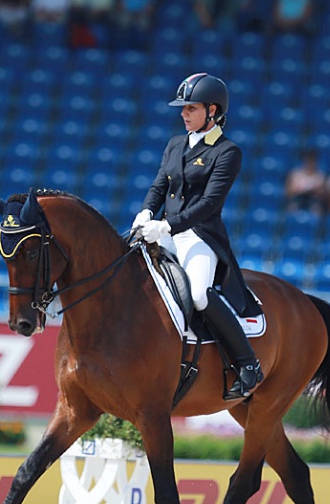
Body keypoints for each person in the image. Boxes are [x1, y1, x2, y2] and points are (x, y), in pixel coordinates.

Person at [132, 73, 264, 400]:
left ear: (212, 110)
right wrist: (147, 212)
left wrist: (167, 226)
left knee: (200, 294)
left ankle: (248, 365)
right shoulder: (175, 143)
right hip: (163, 229)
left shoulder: (227, 152)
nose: (183, 113)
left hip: (198, 235)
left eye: (190, 108)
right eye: (183, 108)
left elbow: (209, 204)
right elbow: (159, 185)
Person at [284, 149, 326, 214]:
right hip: (298, 198)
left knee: (317, 207)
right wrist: (299, 190)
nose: (310, 163)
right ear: (304, 161)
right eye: (308, 160)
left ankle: (315, 222)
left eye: (312, 160)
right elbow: (288, 192)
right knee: (292, 206)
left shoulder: (320, 175)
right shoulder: (296, 174)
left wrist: (315, 190)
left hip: (313, 199)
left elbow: (323, 194)